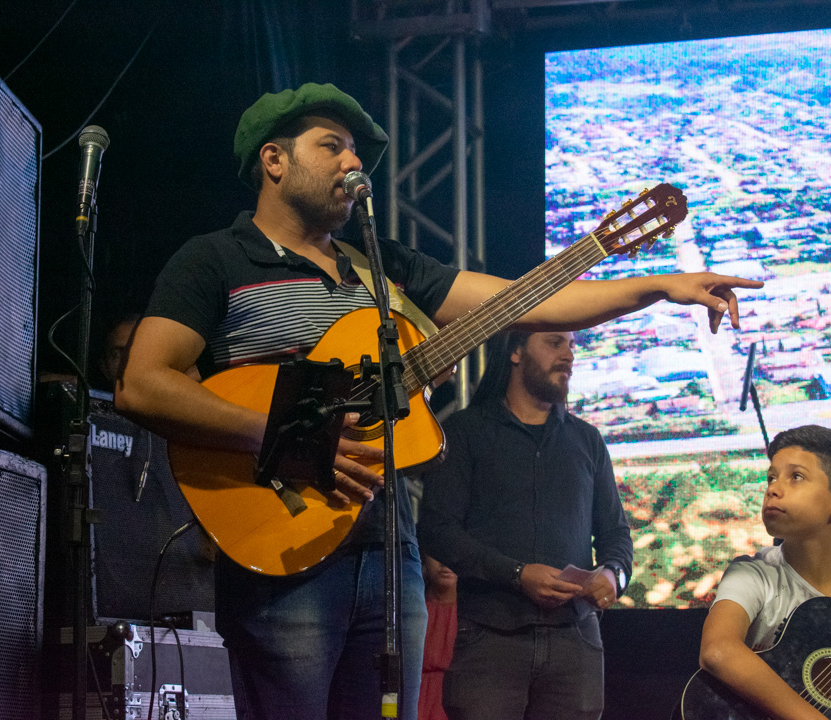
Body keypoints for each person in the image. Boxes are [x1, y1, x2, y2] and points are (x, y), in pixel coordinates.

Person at [115, 81, 761, 720]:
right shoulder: (216, 261)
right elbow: (143, 384)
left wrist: (659, 285)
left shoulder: (380, 266)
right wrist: (282, 434)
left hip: (389, 548)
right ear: (274, 161)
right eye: (332, 146)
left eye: (356, 153)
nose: (352, 163)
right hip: (281, 540)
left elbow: (526, 301)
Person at [417, 331, 633, 720]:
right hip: (488, 640)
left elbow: (616, 535)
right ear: (515, 352)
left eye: (571, 345)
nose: (568, 354)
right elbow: (438, 529)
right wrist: (517, 575)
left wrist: (614, 575)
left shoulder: (587, 439)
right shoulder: (465, 432)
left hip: (576, 640)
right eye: (555, 343)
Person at [697, 425, 831, 719]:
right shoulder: (753, 573)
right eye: (771, 477)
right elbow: (718, 650)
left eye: (796, 477)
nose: (773, 488)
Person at [419, 555, 458, 720]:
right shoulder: (406, 610)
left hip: (458, 706)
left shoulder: (480, 615)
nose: (445, 561)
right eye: (437, 553)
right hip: (408, 703)